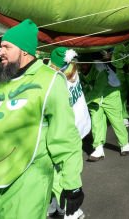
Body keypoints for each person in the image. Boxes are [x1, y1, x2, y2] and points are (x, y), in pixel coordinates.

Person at [0, 20, 84, 219]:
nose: (0, 51)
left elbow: (64, 136)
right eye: (0, 46)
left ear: (25, 51)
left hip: (28, 183)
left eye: (7, 47)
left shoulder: (50, 81)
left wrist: (72, 183)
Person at [48, 47, 91, 218]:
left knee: (61, 171)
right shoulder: (74, 73)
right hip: (71, 131)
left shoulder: (57, 80)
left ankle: (58, 205)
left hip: (68, 130)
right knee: (65, 172)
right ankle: (65, 208)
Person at [82, 51, 129, 159]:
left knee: (116, 120)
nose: (81, 66)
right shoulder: (80, 70)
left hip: (110, 92)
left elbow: (97, 91)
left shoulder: (100, 70)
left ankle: (124, 144)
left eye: (83, 64)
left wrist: (83, 102)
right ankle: (98, 149)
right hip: (94, 95)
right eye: (79, 64)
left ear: (89, 62)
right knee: (96, 121)